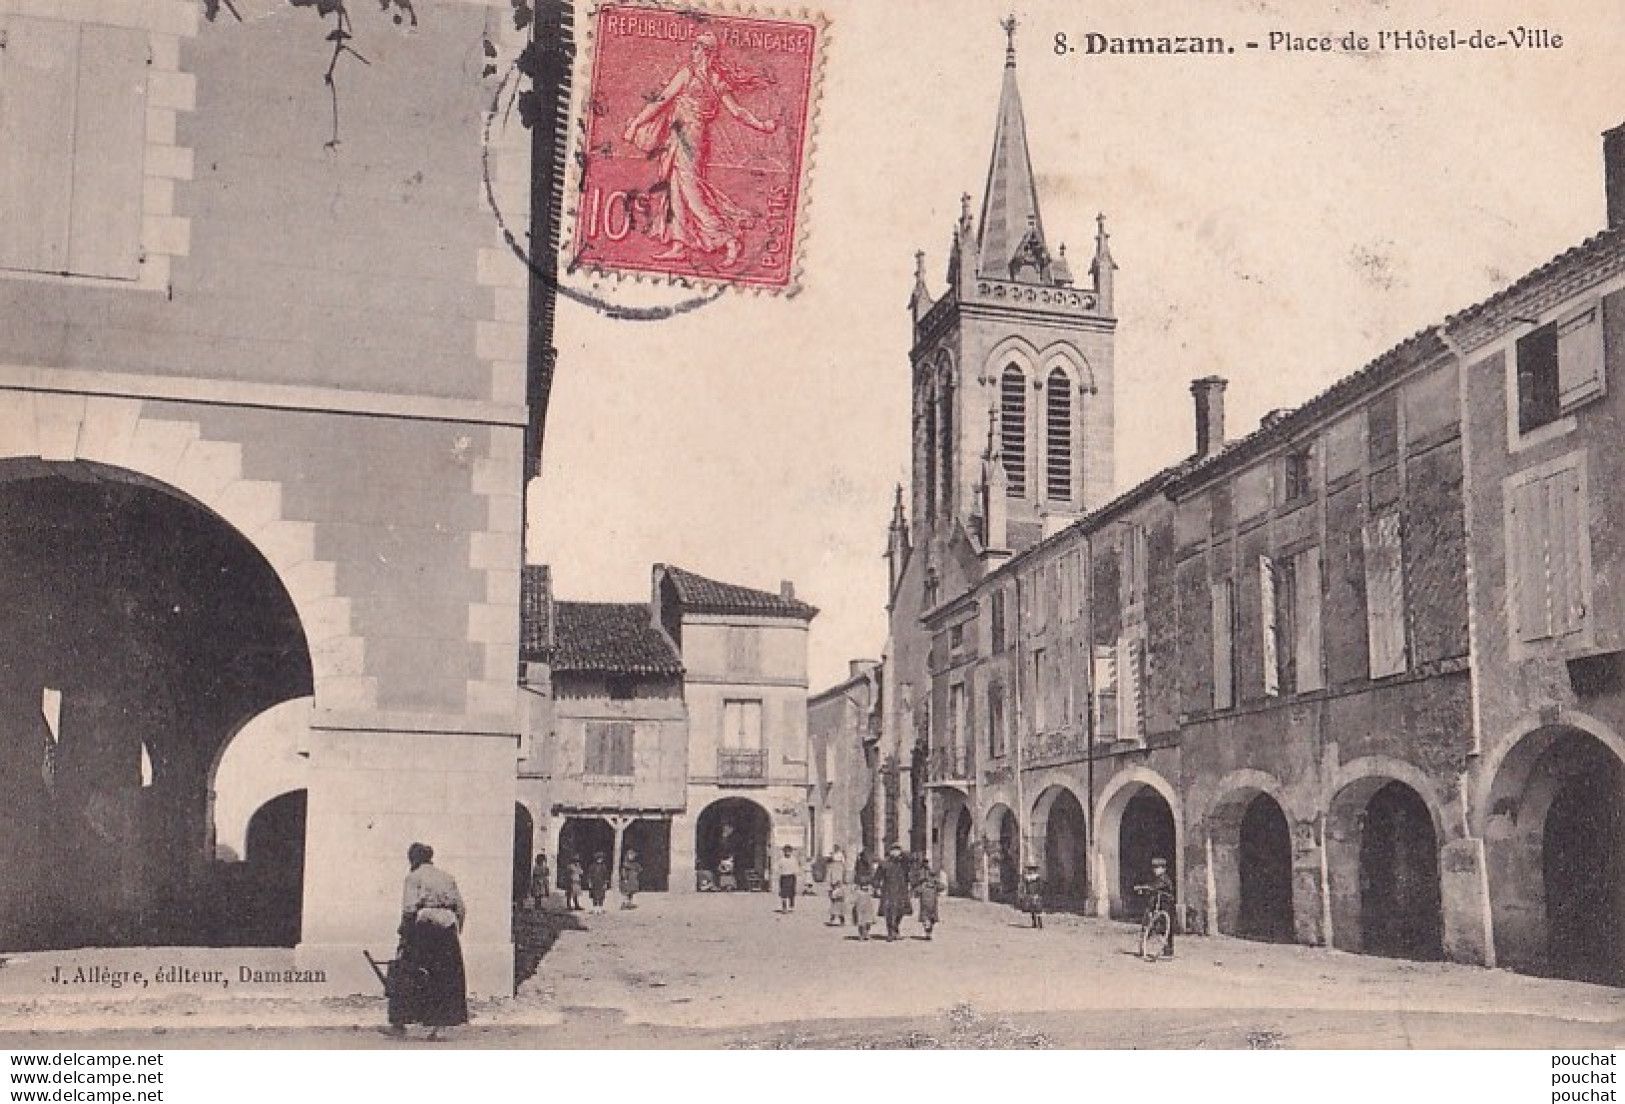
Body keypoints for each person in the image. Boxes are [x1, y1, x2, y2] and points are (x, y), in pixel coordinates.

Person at [621, 31, 780, 268]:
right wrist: (762, 125)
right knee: (676, 188)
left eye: (696, 48)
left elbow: (662, 101)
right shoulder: (711, 79)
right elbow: (664, 100)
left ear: (706, 52)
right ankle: (679, 245)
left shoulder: (695, 76)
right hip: (684, 137)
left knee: (691, 191)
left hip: (690, 139)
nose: (692, 51)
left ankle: (728, 238)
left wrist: (763, 125)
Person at [387, 842, 468, 1039]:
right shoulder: (447, 877)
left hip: (424, 929)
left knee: (411, 972)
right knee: (445, 977)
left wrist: (404, 934)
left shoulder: (413, 878)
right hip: (447, 931)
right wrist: (456, 930)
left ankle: (400, 1023)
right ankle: (438, 1027)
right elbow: (461, 908)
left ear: (414, 859)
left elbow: (408, 909)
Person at [1135, 856, 1178, 958]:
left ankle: (1168, 949)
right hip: (1158, 905)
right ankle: (1146, 945)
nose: (1155, 870)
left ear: (1163, 869)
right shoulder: (1158, 879)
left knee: (1166, 928)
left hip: (1167, 906)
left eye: (1158, 867)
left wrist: (1143, 887)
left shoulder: (1164, 879)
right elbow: (1152, 888)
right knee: (1153, 923)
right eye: (1154, 868)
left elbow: (1155, 887)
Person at [873, 843, 913, 942]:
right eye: (894, 850)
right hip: (888, 890)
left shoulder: (903, 863)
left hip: (901, 889)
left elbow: (910, 868)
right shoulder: (884, 863)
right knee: (889, 912)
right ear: (890, 851)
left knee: (901, 911)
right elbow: (877, 876)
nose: (896, 852)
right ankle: (890, 932)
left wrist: (911, 886)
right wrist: (876, 887)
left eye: (898, 850)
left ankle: (896, 927)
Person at [914, 859, 947, 940]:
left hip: (930, 903)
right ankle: (928, 932)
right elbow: (942, 887)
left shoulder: (930, 883)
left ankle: (928, 932)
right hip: (928, 903)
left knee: (929, 919)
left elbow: (942, 887)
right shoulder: (925, 882)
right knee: (928, 918)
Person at [825, 845, 848, 926]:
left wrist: (839, 881)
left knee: (839, 900)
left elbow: (842, 873)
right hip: (834, 881)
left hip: (838, 881)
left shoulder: (840, 865)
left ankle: (840, 918)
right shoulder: (832, 865)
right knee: (833, 900)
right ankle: (834, 917)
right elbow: (830, 875)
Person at [1018, 863, 1045, 929]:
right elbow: (1025, 887)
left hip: (1036, 894)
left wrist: (1039, 893)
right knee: (1032, 910)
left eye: (1032, 870)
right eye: (1030, 870)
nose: (1031, 871)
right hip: (1030, 895)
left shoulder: (1038, 878)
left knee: (1038, 910)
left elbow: (1040, 886)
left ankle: (1040, 923)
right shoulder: (1027, 879)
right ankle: (1034, 923)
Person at [777, 845, 802, 913]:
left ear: (791, 852)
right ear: (784, 852)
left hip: (791, 876)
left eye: (789, 851)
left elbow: (796, 868)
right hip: (784, 877)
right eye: (786, 851)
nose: (787, 853)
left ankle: (791, 906)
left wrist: (797, 874)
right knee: (783, 893)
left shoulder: (794, 860)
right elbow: (778, 868)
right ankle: (784, 907)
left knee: (791, 892)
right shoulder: (781, 860)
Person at [851, 873, 876, 940]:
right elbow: (853, 900)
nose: (865, 887)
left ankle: (867, 933)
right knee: (861, 923)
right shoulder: (858, 892)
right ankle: (861, 934)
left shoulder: (869, 891)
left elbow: (873, 893)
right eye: (863, 885)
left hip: (868, 909)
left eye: (866, 885)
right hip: (860, 909)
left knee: (868, 922)